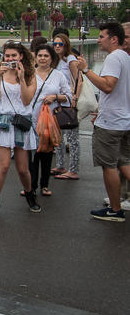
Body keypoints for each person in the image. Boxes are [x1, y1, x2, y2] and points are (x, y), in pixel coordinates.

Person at [77, 23, 130, 222]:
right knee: (124, 161)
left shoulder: (114, 58)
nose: (98, 40)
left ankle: (115, 210)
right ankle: (117, 205)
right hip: (124, 119)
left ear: (113, 39)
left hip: (111, 123)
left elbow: (108, 86)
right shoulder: (126, 57)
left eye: (101, 36)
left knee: (109, 166)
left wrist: (86, 70)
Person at [0, 41, 39, 217]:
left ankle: (30, 194)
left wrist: (21, 78)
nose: (10, 59)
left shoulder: (30, 75)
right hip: (2, 122)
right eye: (7, 56)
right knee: (4, 165)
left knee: (23, 169)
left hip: (21, 121)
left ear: (21, 56)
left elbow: (26, 100)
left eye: (13, 56)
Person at [28, 44, 71, 198]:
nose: (43, 58)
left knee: (46, 153)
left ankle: (44, 185)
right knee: (32, 154)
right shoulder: (29, 74)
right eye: (40, 55)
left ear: (51, 58)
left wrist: (55, 97)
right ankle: (30, 186)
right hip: (32, 118)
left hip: (49, 120)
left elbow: (68, 96)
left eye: (46, 56)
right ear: (35, 57)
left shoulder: (58, 75)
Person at [50, 33, 82, 179]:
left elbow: (78, 80)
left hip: (69, 103)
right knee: (58, 137)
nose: (57, 46)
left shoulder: (70, 59)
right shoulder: (55, 61)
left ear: (66, 45)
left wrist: (74, 98)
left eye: (60, 44)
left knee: (72, 138)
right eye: (55, 44)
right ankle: (61, 165)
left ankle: (73, 170)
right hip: (58, 103)